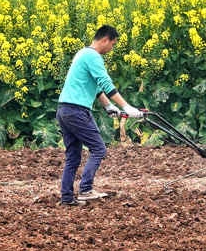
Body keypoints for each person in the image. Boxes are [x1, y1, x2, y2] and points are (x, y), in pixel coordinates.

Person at [56, 25, 143, 206]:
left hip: (64, 109)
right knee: (99, 149)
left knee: (73, 155)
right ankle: (86, 190)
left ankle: (66, 198)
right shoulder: (93, 56)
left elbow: (95, 86)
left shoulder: (82, 54)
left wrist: (108, 106)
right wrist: (127, 106)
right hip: (77, 110)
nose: (112, 48)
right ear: (105, 40)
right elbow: (105, 83)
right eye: (113, 44)